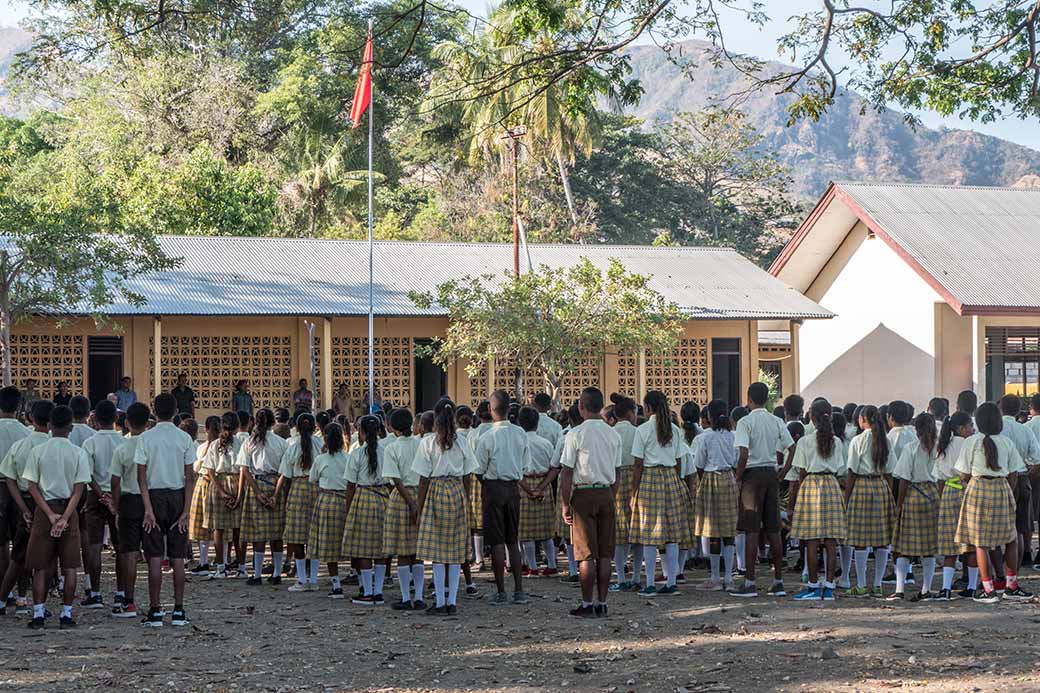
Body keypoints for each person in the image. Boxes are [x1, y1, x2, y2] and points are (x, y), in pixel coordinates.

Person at [22, 405, 91, 629]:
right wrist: (65, 517)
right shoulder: (78, 453)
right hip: (69, 510)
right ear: (71, 427)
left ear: (50, 425)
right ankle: (66, 614)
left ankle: (38, 613)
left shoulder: (38, 451)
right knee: (69, 566)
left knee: (40, 566)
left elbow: (32, 486)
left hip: (44, 510)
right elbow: (78, 489)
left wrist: (50, 514)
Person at [954, 402, 1030, 603]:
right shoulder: (1006, 442)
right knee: (1011, 538)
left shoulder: (971, 442)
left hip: (977, 489)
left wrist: (969, 484)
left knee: (980, 542)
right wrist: (1009, 491)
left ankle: (988, 589)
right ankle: (1011, 586)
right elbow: (1014, 472)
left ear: (978, 421)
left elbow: (963, 473)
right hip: (1001, 488)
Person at [135, 393, 195, 627]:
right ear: (176, 412)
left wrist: (148, 508)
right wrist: (186, 511)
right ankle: (179, 610)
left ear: (154, 411)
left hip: (153, 496)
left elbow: (141, 478)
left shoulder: (145, 438)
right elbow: (189, 477)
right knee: (178, 557)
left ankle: (155, 611)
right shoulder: (184, 438)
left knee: (154, 557)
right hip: (178, 496)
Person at [559, 387, 621, 618]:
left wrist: (565, 504)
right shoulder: (613, 434)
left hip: (583, 494)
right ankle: (602, 603)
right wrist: (611, 495)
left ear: (581, 407)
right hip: (606, 492)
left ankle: (586, 604)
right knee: (605, 554)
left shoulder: (575, 434)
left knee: (585, 554)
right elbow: (617, 472)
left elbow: (567, 472)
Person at [414, 398, 478, 615]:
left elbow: (423, 479)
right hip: (456, 491)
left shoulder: (428, 443)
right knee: (455, 550)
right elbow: (468, 475)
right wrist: (465, 498)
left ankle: (440, 601)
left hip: (436, 492)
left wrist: (419, 507)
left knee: (438, 551)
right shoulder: (462, 442)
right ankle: (452, 601)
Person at [729, 382, 794, 599]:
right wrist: (783, 471)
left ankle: (749, 582)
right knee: (774, 529)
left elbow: (743, 454)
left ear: (749, 398)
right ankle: (778, 582)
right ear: (767, 399)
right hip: (771, 474)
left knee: (752, 530)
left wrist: (738, 478)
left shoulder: (745, 422)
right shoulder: (776, 421)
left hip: (752, 476)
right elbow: (792, 447)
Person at [630, 390, 689, 597]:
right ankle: (671, 582)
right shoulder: (674, 430)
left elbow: (638, 464)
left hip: (650, 478)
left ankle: (649, 584)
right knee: (672, 534)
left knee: (649, 533)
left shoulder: (642, 430)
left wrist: (633, 493)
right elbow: (679, 460)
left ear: (647, 408)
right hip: (671, 478)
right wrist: (677, 480)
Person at [788, 398, 847, 601]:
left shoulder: (804, 441)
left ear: (811, 418)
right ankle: (829, 587)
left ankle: (813, 586)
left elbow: (801, 471)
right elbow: (840, 468)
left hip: (811, 486)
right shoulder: (837, 441)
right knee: (831, 541)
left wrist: (798, 497)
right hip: (831, 485)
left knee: (811, 540)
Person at [474, 390, 529, 605]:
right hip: (513, 488)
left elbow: (479, 469)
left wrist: (488, 484)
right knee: (512, 541)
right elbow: (525, 465)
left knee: (497, 542)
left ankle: (500, 592)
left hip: (493, 488)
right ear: (509, 409)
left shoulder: (487, 437)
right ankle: (519, 590)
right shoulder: (520, 433)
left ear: (490, 409)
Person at [0, 399, 50, 616]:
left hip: (18, 497)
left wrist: (22, 506)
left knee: (14, 549)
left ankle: (4, 597)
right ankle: (28, 599)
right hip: (49, 502)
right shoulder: (53, 444)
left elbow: (10, 477)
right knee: (46, 556)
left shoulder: (21, 445)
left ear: (31, 417)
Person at [844, 405, 896, 598]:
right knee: (882, 539)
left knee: (860, 538)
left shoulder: (857, 440)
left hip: (862, 487)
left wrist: (846, 497)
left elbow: (852, 472)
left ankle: (861, 585)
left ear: (863, 419)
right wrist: (889, 494)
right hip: (881, 486)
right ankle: (877, 584)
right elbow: (890, 472)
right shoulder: (885, 440)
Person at [888, 412, 940, 601]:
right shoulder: (939, 448)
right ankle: (926, 589)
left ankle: (900, 589)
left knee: (904, 546)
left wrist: (899, 504)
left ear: (916, 430)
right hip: (933, 495)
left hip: (913, 495)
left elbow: (903, 478)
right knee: (929, 547)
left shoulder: (911, 448)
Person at [236, 409, 289, 585]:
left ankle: (257, 574)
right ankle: (277, 573)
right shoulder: (281, 443)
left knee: (258, 534)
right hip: (276, 484)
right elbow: (284, 471)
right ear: (273, 422)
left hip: (256, 484)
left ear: (255, 423)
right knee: (276, 533)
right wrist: (275, 495)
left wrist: (257, 492)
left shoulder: (249, 442)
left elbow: (244, 469)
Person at [81, 400, 125, 609]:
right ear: (116, 418)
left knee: (95, 545)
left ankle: (96, 593)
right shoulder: (123, 442)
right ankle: (121, 592)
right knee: (121, 546)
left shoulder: (90, 443)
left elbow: (88, 474)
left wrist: (101, 495)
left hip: (95, 496)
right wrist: (112, 499)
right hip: (120, 496)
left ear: (95, 419)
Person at [110, 401, 151, 618]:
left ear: (126, 423)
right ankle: (155, 603)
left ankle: (129, 601)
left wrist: (116, 508)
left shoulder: (122, 448)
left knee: (129, 553)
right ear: (148, 423)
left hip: (129, 501)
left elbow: (115, 482)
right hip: (151, 500)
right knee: (153, 554)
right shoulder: (152, 446)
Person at [342, 415, 389, 605]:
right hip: (383, 498)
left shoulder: (357, 453)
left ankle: (367, 591)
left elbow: (350, 485)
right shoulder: (386, 451)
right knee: (381, 547)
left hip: (363, 498)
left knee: (363, 549)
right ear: (378, 431)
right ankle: (378, 591)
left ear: (360, 432)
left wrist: (348, 508)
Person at [693, 400, 739, 592]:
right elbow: (737, 460)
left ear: (709, 417)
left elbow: (699, 463)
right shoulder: (733, 436)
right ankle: (728, 577)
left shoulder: (704, 437)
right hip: (729, 479)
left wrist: (704, 480)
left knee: (712, 530)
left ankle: (714, 577)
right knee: (728, 531)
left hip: (710, 479)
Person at [382, 408, 425, 609]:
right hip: (421, 494)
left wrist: (410, 503)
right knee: (417, 550)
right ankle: (419, 597)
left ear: (392, 427)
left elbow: (396, 480)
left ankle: (406, 598)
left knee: (402, 550)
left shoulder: (391, 448)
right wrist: (418, 504)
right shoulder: (421, 444)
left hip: (401, 498)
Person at [277, 413, 322, 592]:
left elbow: (285, 475)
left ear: (296, 428)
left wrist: (282, 497)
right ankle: (314, 579)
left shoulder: (292, 447)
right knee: (315, 535)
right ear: (314, 427)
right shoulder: (321, 445)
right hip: (317, 489)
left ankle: (302, 580)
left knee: (296, 537)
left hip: (297, 489)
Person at [935, 412, 975, 600]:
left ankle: (945, 588)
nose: (973, 430)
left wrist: (942, 498)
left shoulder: (944, 445)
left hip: (949, 492)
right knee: (971, 541)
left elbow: (939, 478)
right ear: (961, 428)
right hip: (968, 491)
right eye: (970, 426)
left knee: (950, 542)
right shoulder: (969, 444)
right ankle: (972, 586)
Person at [308, 422, 349, 598]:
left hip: (326, 501)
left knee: (329, 544)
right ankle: (362, 583)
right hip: (346, 501)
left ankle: (336, 585)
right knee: (350, 542)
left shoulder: (320, 459)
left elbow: (313, 479)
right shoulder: (349, 458)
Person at [517, 406, 557, 577]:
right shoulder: (545, 443)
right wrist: (541, 487)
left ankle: (532, 567)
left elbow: (515, 470)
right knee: (546, 530)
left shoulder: (518, 443)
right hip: (544, 483)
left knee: (526, 532)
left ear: (519, 423)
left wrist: (528, 489)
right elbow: (555, 468)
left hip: (523, 484)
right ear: (537, 423)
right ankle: (552, 565)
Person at [202, 412, 243, 580]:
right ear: (237, 427)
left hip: (218, 483)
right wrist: (239, 494)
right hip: (237, 482)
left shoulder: (214, 445)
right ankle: (241, 567)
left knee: (218, 529)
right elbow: (244, 469)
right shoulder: (241, 443)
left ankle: (221, 567)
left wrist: (220, 491)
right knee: (238, 529)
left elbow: (210, 470)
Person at [608, 394, 639, 592]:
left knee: (619, 532)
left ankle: (620, 577)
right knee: (638, 529)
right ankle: (636, 577)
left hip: (615, 480)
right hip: (637, 479)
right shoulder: (638, 432)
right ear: (629, 413)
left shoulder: (610, 433)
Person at [0, 386, 27, 612]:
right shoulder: (26, 433)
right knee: (23, 543)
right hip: (22, 490)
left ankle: (4, 591)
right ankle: (22, 595)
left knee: (1, 543)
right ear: (19, 408)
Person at [188, 416, 219, 577]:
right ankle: (219, 561)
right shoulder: (219, 446)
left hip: (206, 483)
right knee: (216, 526)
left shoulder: (204, 447)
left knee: (205, 526)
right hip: (215, 484)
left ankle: (206, 562)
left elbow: (195, 467)